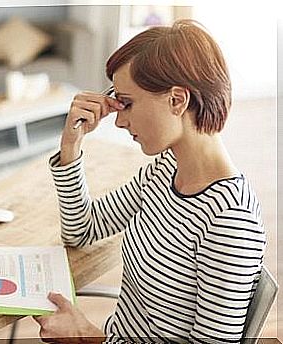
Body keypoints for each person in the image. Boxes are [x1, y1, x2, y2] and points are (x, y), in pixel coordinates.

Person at [33, 19, 266, 343]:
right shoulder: (166, 168)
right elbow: (82, 230)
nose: (119, 120)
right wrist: (70, 147)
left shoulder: (230, 222)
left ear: (176, 100)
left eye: (127, 103)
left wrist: (87, 336)